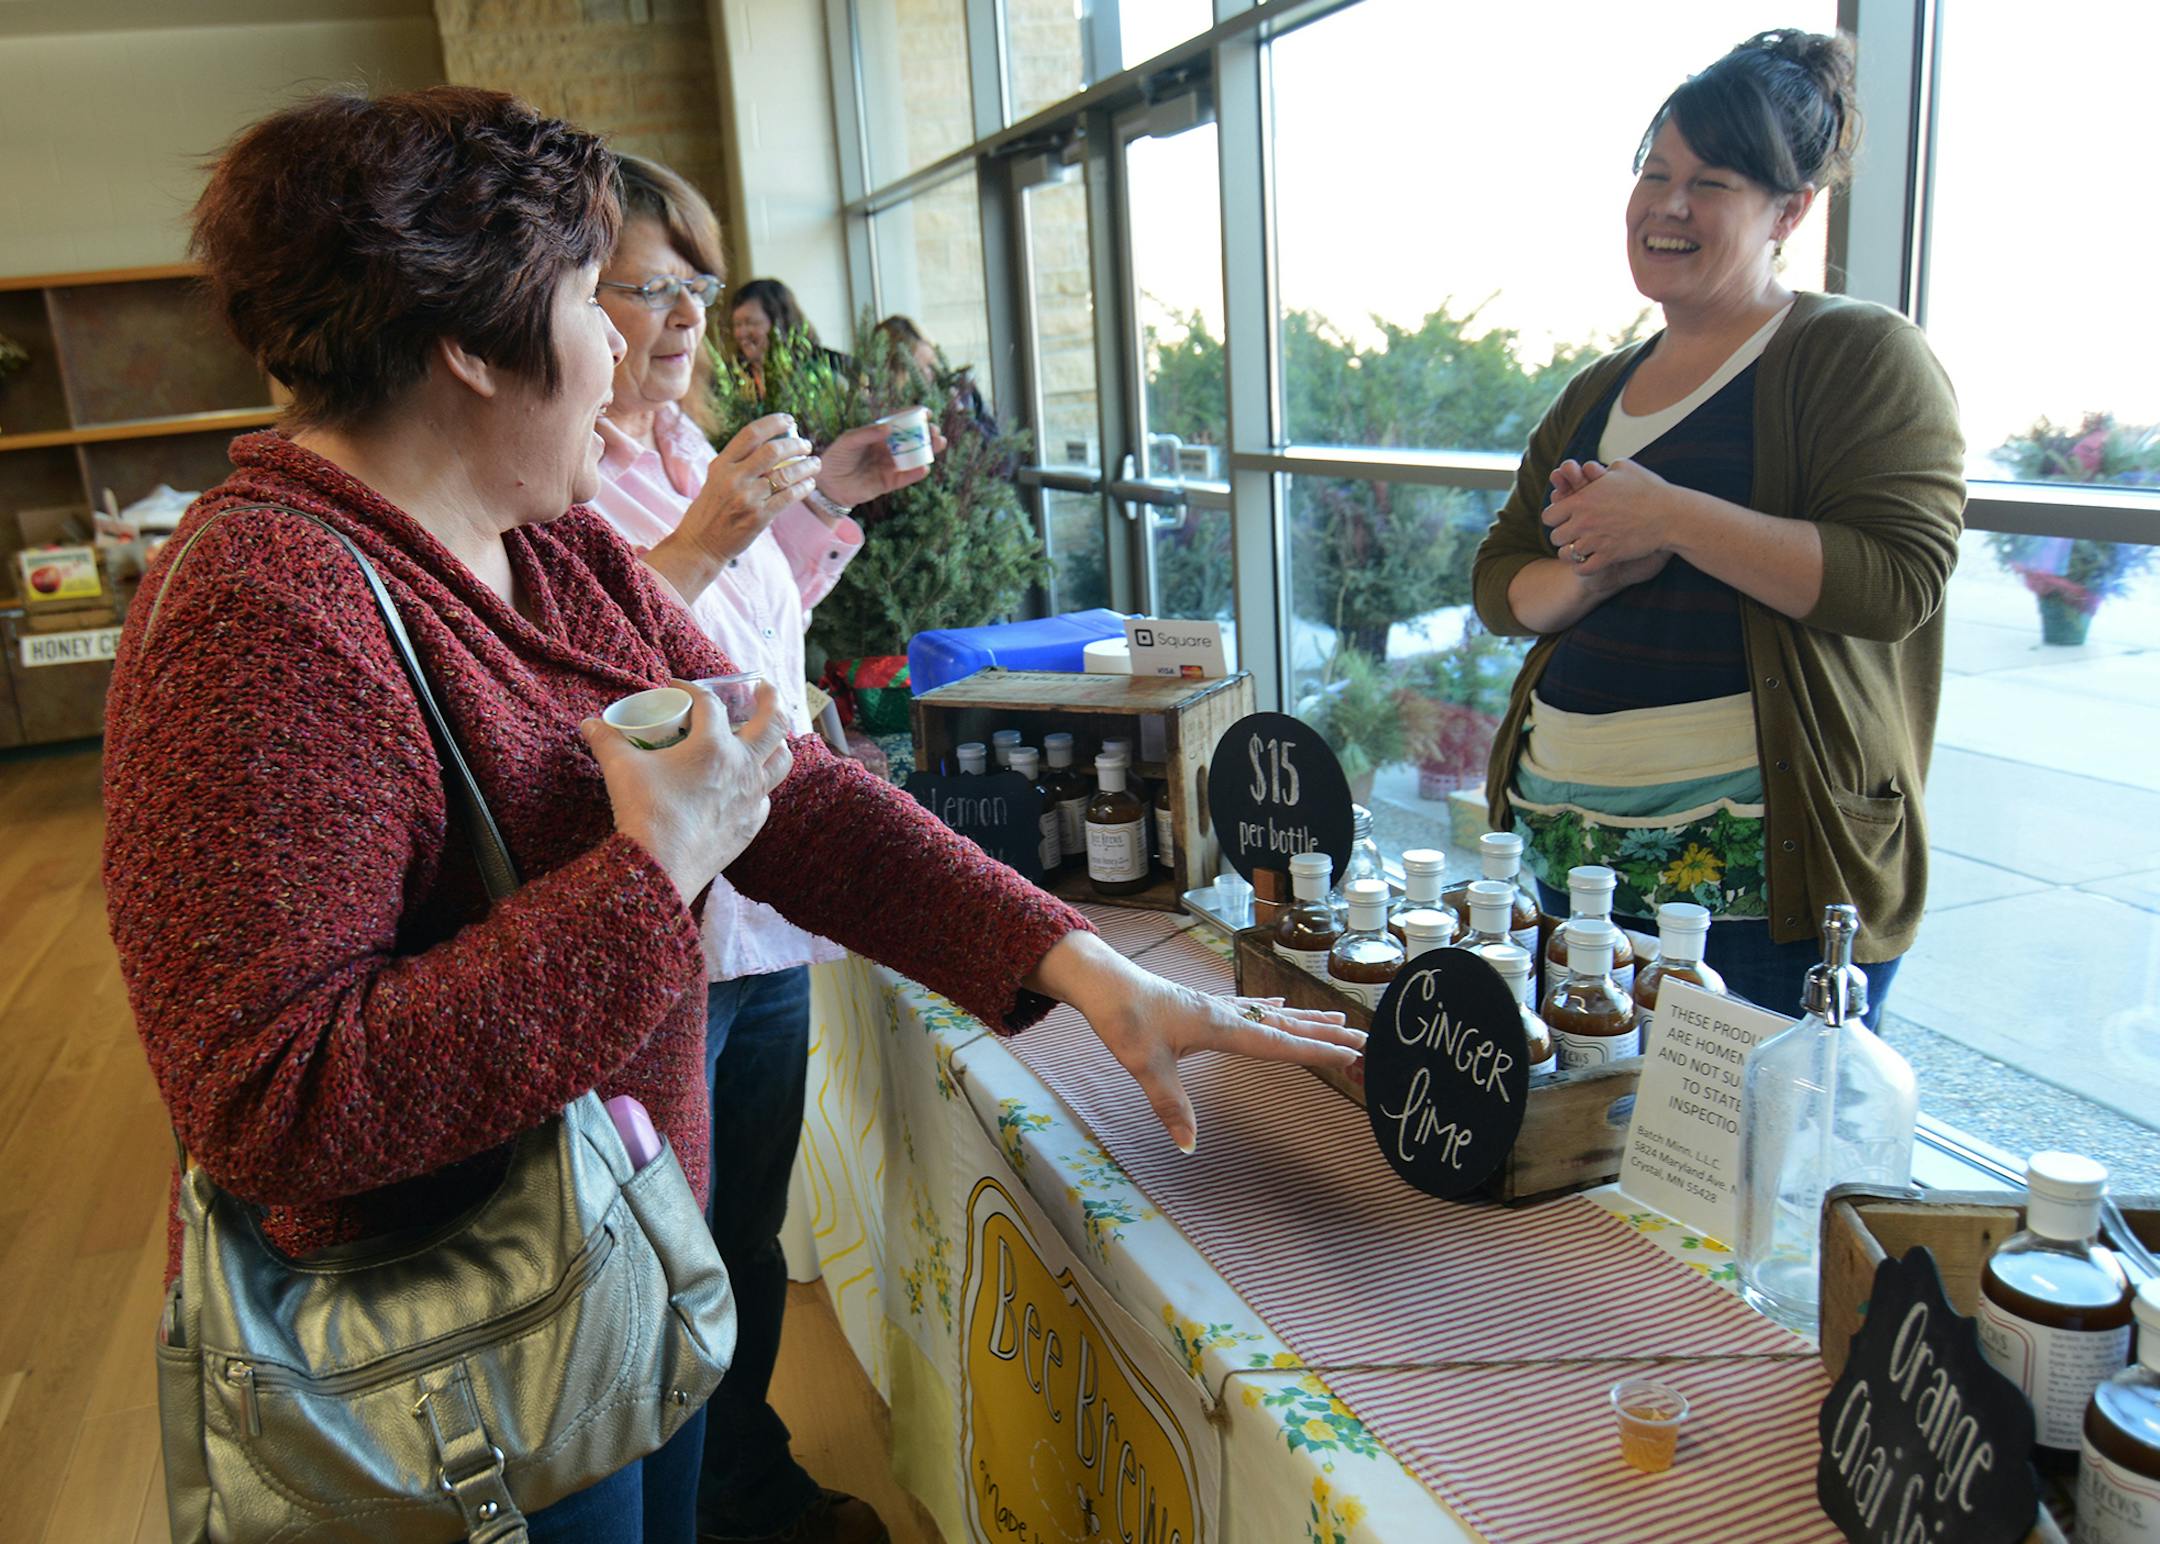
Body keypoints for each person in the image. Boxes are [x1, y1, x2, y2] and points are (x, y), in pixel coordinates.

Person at [102, 87, 1362, 1544]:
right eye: (595, 297)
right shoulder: (261, 611)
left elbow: (791, 789)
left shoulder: (551, 544)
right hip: (457, 1356)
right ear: (468, 340)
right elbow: (273, 1101)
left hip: (631, 1261)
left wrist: (1081, 968)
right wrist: (654, 872)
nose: (628, 350)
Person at [1470, 30, 1964, 1025]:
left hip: (1757, 898)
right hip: (1578, 874)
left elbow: (1897, 580)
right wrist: (1592, 578)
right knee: (1595, 1161)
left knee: (1751, 1171)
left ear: (1791, 209)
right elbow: (1500, 581)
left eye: (1714, 180)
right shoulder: (1597, 390)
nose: (1670, 203)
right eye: (1655, 171)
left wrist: (1672, 513)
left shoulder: (1858, 355)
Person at [588, 154, 902, 1544]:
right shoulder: (559, 482)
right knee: (669, 1251)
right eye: (648, 287)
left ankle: (738, 1472)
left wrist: (823, 505)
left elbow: (754, 640)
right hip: (667, 926)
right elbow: (574, 671)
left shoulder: (678, 451)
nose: (684, 316)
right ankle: (697, 1494)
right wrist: (716, 530)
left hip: (767, 914)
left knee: (750, 1232)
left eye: (697, 286)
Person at [730, 277, 839, 400]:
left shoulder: (827, 367)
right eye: (737, 324)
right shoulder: (729, 379)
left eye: (751, 323)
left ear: (780, 322)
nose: (741, 333)